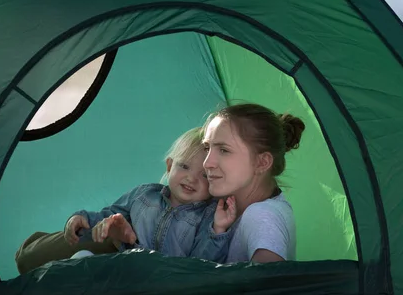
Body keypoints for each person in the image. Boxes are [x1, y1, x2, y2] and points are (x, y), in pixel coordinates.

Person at [63, 127, 236, 259]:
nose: (191, 178)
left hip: (168, 284)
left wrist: (218, 230)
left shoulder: (208, 215)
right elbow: (106, 218)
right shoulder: (144, 195)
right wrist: (81, 221)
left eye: (204, 175)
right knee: (81, 257)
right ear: (169, 166)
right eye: (184, 166)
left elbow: (204, 263)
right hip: (127, 267)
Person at [195, 103, 305, 264]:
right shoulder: (226, 207)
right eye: (207, 148)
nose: (207, 163)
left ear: (262, 163)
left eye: (224, 150)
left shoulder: (262, 215)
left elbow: (269, 286)